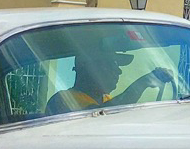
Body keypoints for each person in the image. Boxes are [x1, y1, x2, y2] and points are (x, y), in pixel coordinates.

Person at [45, 49, 176, 115]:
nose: (118, 71)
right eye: (111, 64)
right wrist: (142, 83)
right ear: (87, 68)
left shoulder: (106, 99)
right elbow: (98, 116)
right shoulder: (62, 99)